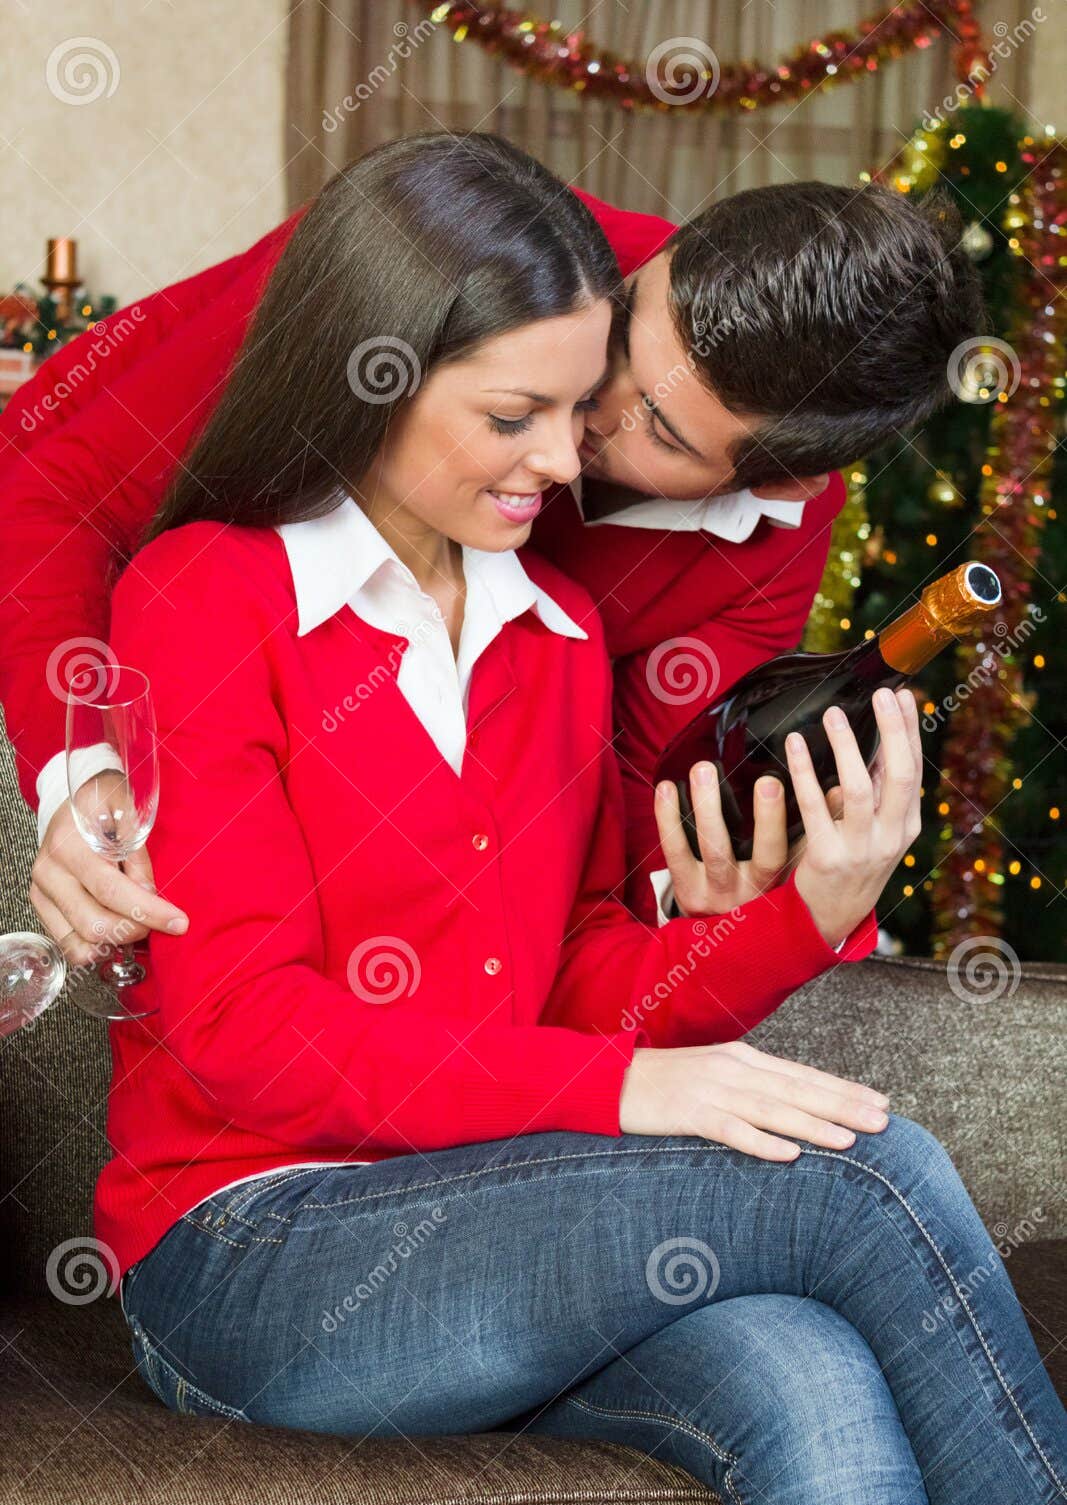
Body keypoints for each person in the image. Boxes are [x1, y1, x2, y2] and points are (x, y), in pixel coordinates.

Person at [97, 132, 1066, 1505]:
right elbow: (243, 1032)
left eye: (578, 413)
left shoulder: (554, 643)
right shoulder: (202, 596)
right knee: (855, 1177)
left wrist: (807, 911)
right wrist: (618, 1093)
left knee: (801, 1370)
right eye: (520, 413)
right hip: (252, 1251)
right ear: (382, 369)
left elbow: (577, 979)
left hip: (494, 1226)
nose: (566, 465)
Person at [0, 147, 983, 951]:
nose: (583, 411)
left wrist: (731, 903)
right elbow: (53, 493)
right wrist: (82, 771)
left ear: (781, 481)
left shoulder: (776, 537)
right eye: (625, 331)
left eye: (665, 434)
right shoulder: (439, 261)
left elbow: (634, 794)